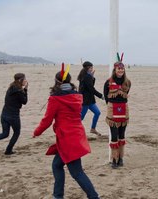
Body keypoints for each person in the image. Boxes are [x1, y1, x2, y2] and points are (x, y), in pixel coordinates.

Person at [32, 68, 99, 199]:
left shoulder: (55, 99)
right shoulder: (77, 95)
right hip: (76, 135)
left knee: (77, 172)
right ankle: (58, 195)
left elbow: (47, 120)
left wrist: (36, 132)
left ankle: (94, 197)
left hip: (67, 139)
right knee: (57, 165)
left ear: (56, 82)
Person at [0, 73, 28, 155]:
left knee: (5, 133)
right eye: (24, 79)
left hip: (4, 114)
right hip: (13, 116)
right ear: (20, 80)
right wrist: (25, 89)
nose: (25, 80)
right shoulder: (19, 91)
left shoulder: (11, 88)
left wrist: (22, 89)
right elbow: (24, 101)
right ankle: (8, 150)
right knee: (16, 133)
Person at [103, 61, 131, 169]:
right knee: (114, 134)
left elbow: (126, 94)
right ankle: (114, 159)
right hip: (112, 108)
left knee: (122, 134)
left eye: (122, 69)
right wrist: (111, 104)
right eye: (119, 69)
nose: (121, 70)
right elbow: (106, 95)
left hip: (124, 109)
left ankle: (121, 158)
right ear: (115, 70)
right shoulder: (108, 82)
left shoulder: (127, 82)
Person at [77, 61, 103, 136]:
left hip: (90, 100)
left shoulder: (86, 75)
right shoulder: (86, 76)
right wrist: (101, 96)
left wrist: (92, 77)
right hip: (85, 100)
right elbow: (91, 89)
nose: (92, 69)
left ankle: (93, 129)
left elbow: (89, 86)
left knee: (97, 113)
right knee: (81, 118)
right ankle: (73, 130)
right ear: (88, 68)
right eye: (91, 67)